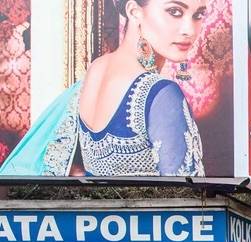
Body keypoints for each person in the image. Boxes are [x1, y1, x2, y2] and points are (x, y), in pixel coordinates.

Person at [0, 0, 207, 177]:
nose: (189, 29)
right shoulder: (161, 94)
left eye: (198, 15)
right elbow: (190, 205)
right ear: (134, 11)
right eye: (175, 12)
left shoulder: (95, 71)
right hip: (146, 223)